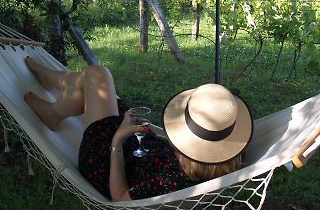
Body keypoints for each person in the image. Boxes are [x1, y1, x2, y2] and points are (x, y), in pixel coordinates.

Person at [24, 57, 253, 202]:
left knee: (97, 75)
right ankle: (57, 82)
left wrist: (117, 140)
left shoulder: (171, 179)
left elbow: (121, 198)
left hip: (107, 159)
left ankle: (54, 106)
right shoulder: (226, 156)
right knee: (94, 79)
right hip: (138, 142)